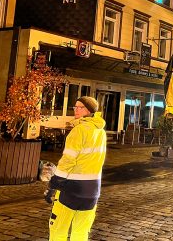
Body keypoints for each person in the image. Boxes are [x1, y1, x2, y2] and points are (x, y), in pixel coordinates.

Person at [46, 96, 107, 241]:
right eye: (75, 107)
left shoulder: (78, 130)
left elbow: (68, 160)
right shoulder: (101, 132)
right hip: (92, 190)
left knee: (58, 230)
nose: (76, 110)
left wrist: (54, 184)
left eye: (81, 107)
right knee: (80, 233)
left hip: (71, 188)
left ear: (90, 111)